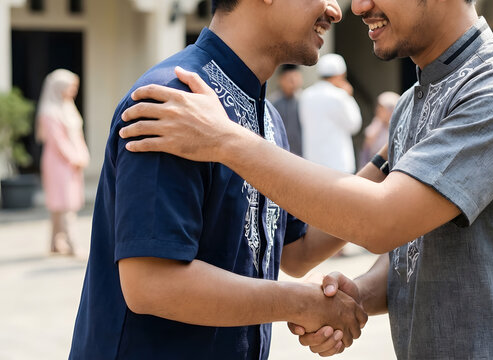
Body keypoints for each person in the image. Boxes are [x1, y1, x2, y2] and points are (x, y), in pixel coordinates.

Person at [118, 0, 493, 358]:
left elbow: (382, 222)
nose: (353, 8)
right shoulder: (178, 101)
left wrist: (226, 141)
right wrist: (348, 296)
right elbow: (313, 253)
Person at [69, 0, 368, 358]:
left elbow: (296, 251)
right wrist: (301, 302)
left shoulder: (266, 114)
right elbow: (151, 283)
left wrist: (388, 162)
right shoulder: (175, 100)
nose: (336, 10)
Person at [36, 69, 89, 256]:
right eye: (71, 86)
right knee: (64, 203)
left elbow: (77, 135)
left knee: (63, 203)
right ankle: (73, 244)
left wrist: (82, 154)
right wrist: (74, 158)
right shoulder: (50, 112)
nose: (74, 90)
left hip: (72, 161)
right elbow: (57, 141)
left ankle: (55, 243)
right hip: (58, 162)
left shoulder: (68, 107)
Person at [300, 53, 362, 173]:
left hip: (312, 162)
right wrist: (349, 97)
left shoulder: (306, 95)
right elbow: (354, 125)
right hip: (338, 163)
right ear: (341, 75)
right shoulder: (340, 96)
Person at [358, 91, 399, 167]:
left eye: (382, 108)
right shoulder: (377, 123)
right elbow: (367, 145)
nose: (378, 110)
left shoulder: (398, 127)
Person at [271, 64, 304, 156]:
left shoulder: (305, 101)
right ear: (280, 79)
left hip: (304, 155)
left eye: (296, 77)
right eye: (289, 79)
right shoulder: (273, 103)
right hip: (281, 154)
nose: (293, 82)